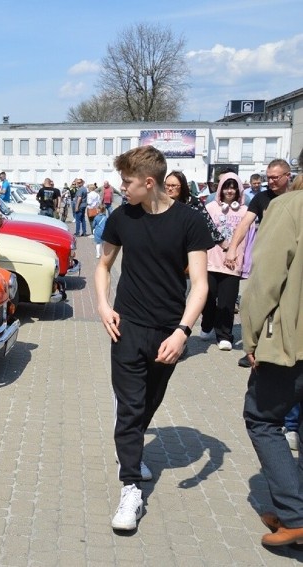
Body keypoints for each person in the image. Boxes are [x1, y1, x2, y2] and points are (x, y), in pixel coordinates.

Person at [95, 146, 213, 532]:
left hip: (167, 333)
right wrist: (101, 304)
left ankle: (130, 449)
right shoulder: (121, 217)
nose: (121, 188)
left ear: (149, 182)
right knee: (129, 408)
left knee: (148, 402)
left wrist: (183, 331)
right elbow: (103, 264)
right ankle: (130, 487)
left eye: (127, 182)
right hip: (126, 328)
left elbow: (199, 284)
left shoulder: (189, 221)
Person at [240, 188, 303, 548]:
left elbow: (265, 281)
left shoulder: (289, 207)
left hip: (292, 343)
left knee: (263, 418)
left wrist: (250, 338)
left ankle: (295, 517)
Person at [223, 159, 293, 368]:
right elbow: (245, 223)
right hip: (268, 259)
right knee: (259, 302)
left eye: (275, 177)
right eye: (268, 177)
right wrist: (233, 248)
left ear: (287, 176)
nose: (270, 181)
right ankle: (256, 348)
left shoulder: (295, 197)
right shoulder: (261, 198)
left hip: (292, 259)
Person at [198, 172, 249, 351]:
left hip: (233, 263)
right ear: (220, 189)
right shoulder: (211, 207)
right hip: (211, 261)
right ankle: (206, 325)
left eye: (233, 187)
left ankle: (224, 335)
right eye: (226, 187)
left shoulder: (245, 211)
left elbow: (250, 238)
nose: (229, 191)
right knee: (208, 298)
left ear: (238, 190)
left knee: (227, 302)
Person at [165, 171, 224, 245]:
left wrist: (227, 247)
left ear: (182, 186)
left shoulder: (194, 203)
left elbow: (209, 225)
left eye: (173, 185)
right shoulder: (160, 204)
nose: (170, 188)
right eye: (167, 185)